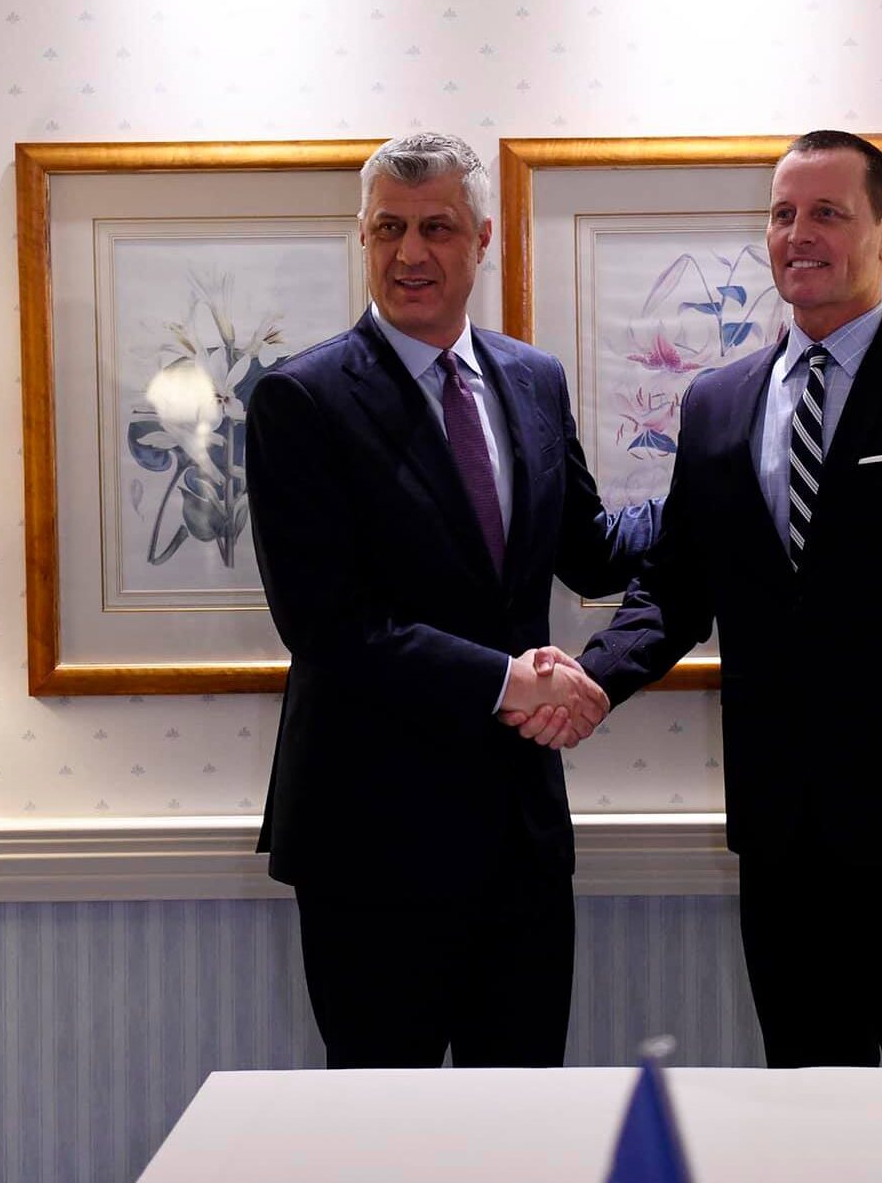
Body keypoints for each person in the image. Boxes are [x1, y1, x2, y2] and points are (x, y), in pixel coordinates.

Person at [526, 130, 882, 1067]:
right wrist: (593, 679)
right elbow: (677, 586)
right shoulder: (718, 402)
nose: (797, 234)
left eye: (827, 213)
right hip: (782, 843)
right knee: (807, 1110)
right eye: (782, 214)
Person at [244, 132, 658, 1068]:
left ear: (482, 239)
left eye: (435, 227)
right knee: (383, 1127)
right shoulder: (300, 399)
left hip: (520, 836)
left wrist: (715, 485)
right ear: (363, 237)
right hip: (370, 838)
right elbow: (327, 624)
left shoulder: (533, 379)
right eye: (388, 228)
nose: (410, 253)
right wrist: (509, 681)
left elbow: (591, 553)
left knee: (522, 1119)